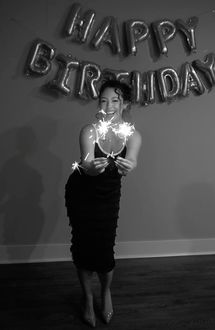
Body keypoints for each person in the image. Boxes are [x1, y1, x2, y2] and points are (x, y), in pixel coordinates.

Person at [65, 79, 142, 327]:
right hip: (81, 194)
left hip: (108, 197)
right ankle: (87, 298)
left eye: (115, 100)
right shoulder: (90, 130)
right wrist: (90, 168)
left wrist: (129, 165)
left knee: (105, 251)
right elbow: (86, 164)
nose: (108, 105)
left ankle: (105, 292)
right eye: (103, 100)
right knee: (83, 246)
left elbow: (132, 161)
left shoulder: (132, 135)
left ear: (125, 104)